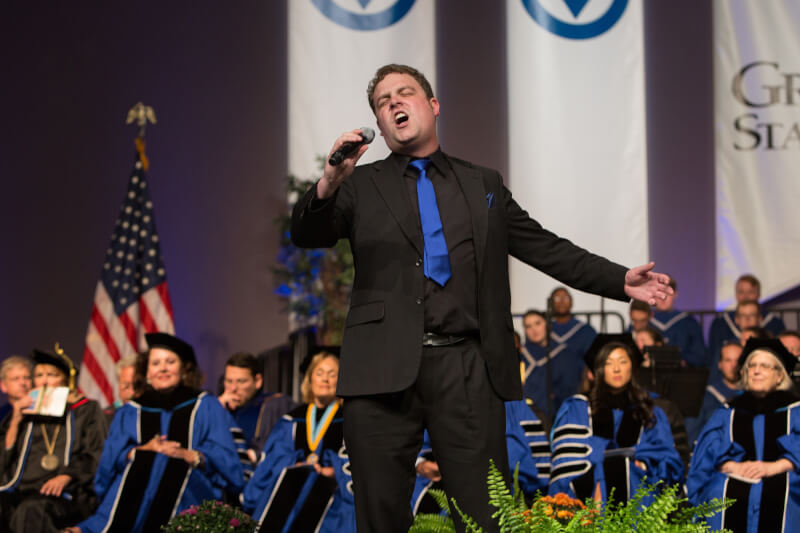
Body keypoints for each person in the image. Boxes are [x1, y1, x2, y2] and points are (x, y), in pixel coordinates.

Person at [289, 63, 672, 533]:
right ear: (380, 126)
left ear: (432, 105)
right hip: (381, 369)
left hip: (467, 365)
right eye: (382, 102)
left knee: (483, 514)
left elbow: (545, 247)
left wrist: (621, 281)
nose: (393, 104)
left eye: (404, 93)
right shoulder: (360, 185)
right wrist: (331, 178)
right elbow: (306, 233)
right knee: (380, 512)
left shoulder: (481, 184)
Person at [71, 333, 243, 533]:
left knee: (167, 465)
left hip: (190, 492)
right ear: (146, 372)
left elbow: (227, 461)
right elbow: (109, 462)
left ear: (183, 368)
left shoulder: (205, 405)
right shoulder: (131, 410)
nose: (162, 368)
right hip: (136, 495)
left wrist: (190, 455)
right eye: (155, 363)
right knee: (151, 463)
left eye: (170, 362)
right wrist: (141, 451)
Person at [548, 335, 683, 503]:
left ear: (632, 367)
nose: (616, 369)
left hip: (638, 497)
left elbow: (667, 458)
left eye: (623, 361)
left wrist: (642, 464)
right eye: (608, 363)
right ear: (598, 369)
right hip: (589, 498)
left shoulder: (649, 410)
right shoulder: (578, 407)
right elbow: (567, 463)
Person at [688, 338, 800, 532]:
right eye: (751, 366)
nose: (756, 371)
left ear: (780, 375)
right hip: (734, 474)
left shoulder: (795, 410)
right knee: (717, 490)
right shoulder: (728, 411)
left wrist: (774, 467)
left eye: (765, 366)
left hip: (782, 474)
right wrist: (732, 466)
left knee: (784, 492)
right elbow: (707, 453)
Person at [243, 352, 355, 533]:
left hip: (334, 500)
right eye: (319, 373)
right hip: (294, 495)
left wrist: (332, 471)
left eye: (332, 374)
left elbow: (358, 462)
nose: (325, 379)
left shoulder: (350, 420)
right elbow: (274, 458)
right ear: (310, 380)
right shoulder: (292, 419)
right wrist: (296, 466)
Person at [0, 347, 107, 533]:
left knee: (32, 509)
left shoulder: (84, 410)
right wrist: (17, 417)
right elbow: (5, 458)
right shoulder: (25, 413)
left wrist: (68, 475)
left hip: (67, 493)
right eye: (39, 375)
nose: (44, 380)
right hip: (23, 489)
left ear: (66, 380)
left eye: (52, 375)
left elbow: (96, 452)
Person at [217, 352, 295, 478]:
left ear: (257, 381)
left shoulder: (274, 404)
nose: (233, 388)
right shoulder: (219, 407)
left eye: (241, 381)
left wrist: (254, 455)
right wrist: (217, 408)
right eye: (229, 381)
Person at [708, 274, 786, 363]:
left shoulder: (774, 323)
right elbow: (714, 357)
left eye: (750, 292)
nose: (746, 296)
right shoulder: (720, 323)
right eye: (741, 292)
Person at [520, 309, 580, 419]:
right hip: (526, 414)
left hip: (557, 414)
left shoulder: (565, 355)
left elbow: (570, 388)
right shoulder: (521, 355)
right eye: (528, 326)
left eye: (537, 323)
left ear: (546, 324)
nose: (534, 329)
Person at [685, 341, 744, 444]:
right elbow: (692, 435)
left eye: (738, 360)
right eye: (728, 360)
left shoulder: (751, 396)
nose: (734, 365)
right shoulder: (705, 396)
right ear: (719, 364)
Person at [649, 277, 708, 367]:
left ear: (675, 294)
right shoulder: (645, 321)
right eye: (659, 293)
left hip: (681, 374)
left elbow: (699, 356)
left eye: (667, 293)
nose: (663, 298)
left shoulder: (689, 322)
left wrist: (680, 359)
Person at [549, 287, 597, 362]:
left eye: (566, 298)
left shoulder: (586, 330)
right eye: (557, 298)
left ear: (571, 302)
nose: (561, 302)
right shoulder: (544, 331)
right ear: (551, 303)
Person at [103, 354, 139, 422]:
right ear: (118, 384)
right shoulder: (106, 417)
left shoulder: (155, 413)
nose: (132, 392)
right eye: (126, 385)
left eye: (136, 385)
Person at [0, 357, 32, 422]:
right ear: (3, 386)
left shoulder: (44, 411)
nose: (23, 383)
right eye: (15, 379)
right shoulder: (2, 415)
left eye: (27, 378)